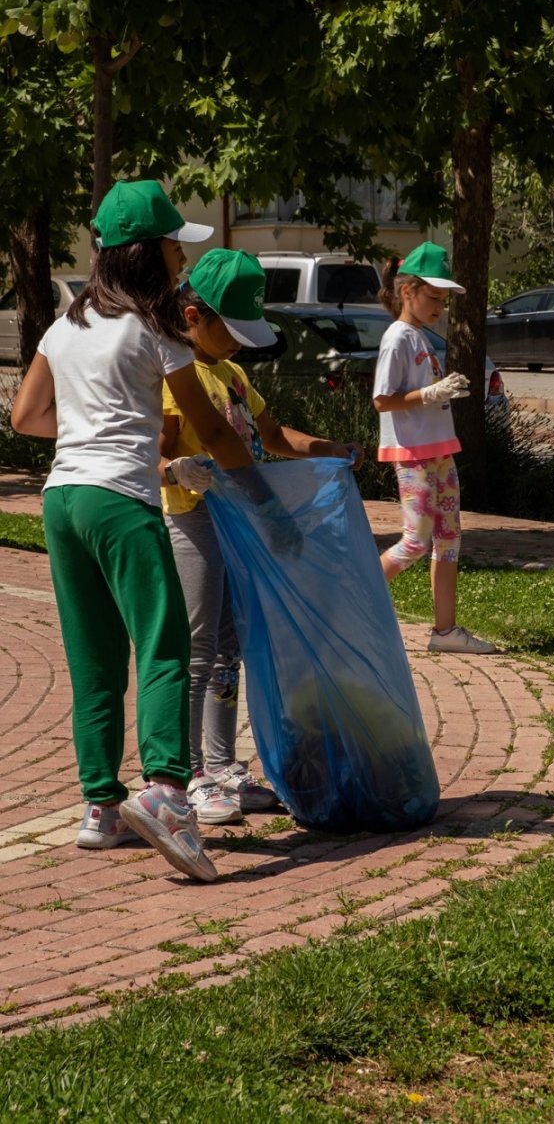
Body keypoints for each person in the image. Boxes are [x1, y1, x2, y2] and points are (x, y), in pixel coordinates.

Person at [10, 180, 257, 882]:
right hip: (122, 502)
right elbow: (209, 425)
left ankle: (101, 809)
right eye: (176, 244)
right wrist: (260, 489)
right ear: (150, 253)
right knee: (164, 646)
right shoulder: (160, 327)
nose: (183, 256)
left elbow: (26, 417)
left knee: (93, 659)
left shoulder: (66, 326)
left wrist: (103, 436)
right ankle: (170, 794)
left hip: (64, 502)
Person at [160, 248, 363, 823]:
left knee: (229, 647)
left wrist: (327, 449)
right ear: (194, 315)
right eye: (232, 330)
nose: (241, 344)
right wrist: (178, 469)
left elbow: (269, 435)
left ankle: (222, 766)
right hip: (194, 520)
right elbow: (156, 450)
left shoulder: (232, 374)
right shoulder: (179, 374)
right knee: (198, 647)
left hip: (238, 523)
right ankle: (190, 771)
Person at [373, 241, 497, 656]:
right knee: (415, 540)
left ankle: (445, 632)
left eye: (443, 301)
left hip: (439, 451)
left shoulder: (420, 337)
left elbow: (420, 394)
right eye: (434, 298)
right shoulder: (398, 338)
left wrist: (438, 392)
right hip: (413, 455)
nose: (440, 308)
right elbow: (383, 399)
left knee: (449, 540)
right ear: (407, 291)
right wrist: (430, 393)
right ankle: (350, 602)